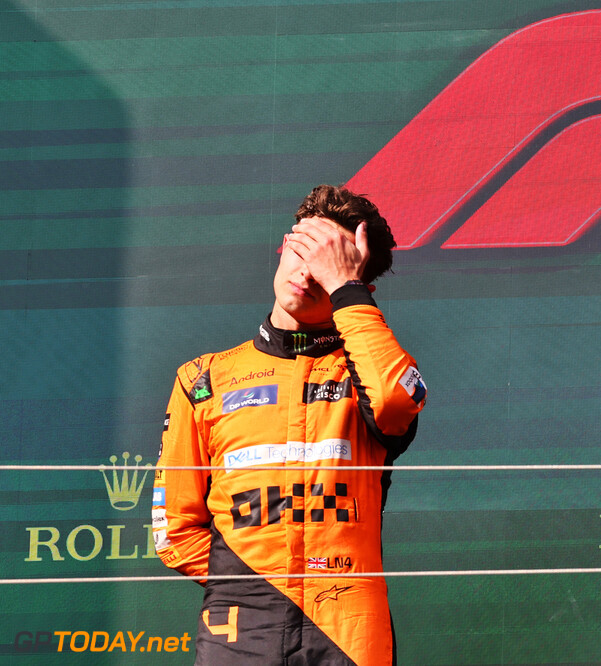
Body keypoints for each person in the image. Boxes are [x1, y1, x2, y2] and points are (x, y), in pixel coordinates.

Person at [152, 185, 426, 665]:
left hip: (348, 631)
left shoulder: (367, 370)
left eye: (326, 267)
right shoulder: (203, 379)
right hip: (240, 628)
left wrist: (347, 291)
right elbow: (175, 531)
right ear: (283, 247)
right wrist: (261, 583)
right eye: (302, 253)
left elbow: (394, 402)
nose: (306, 274)